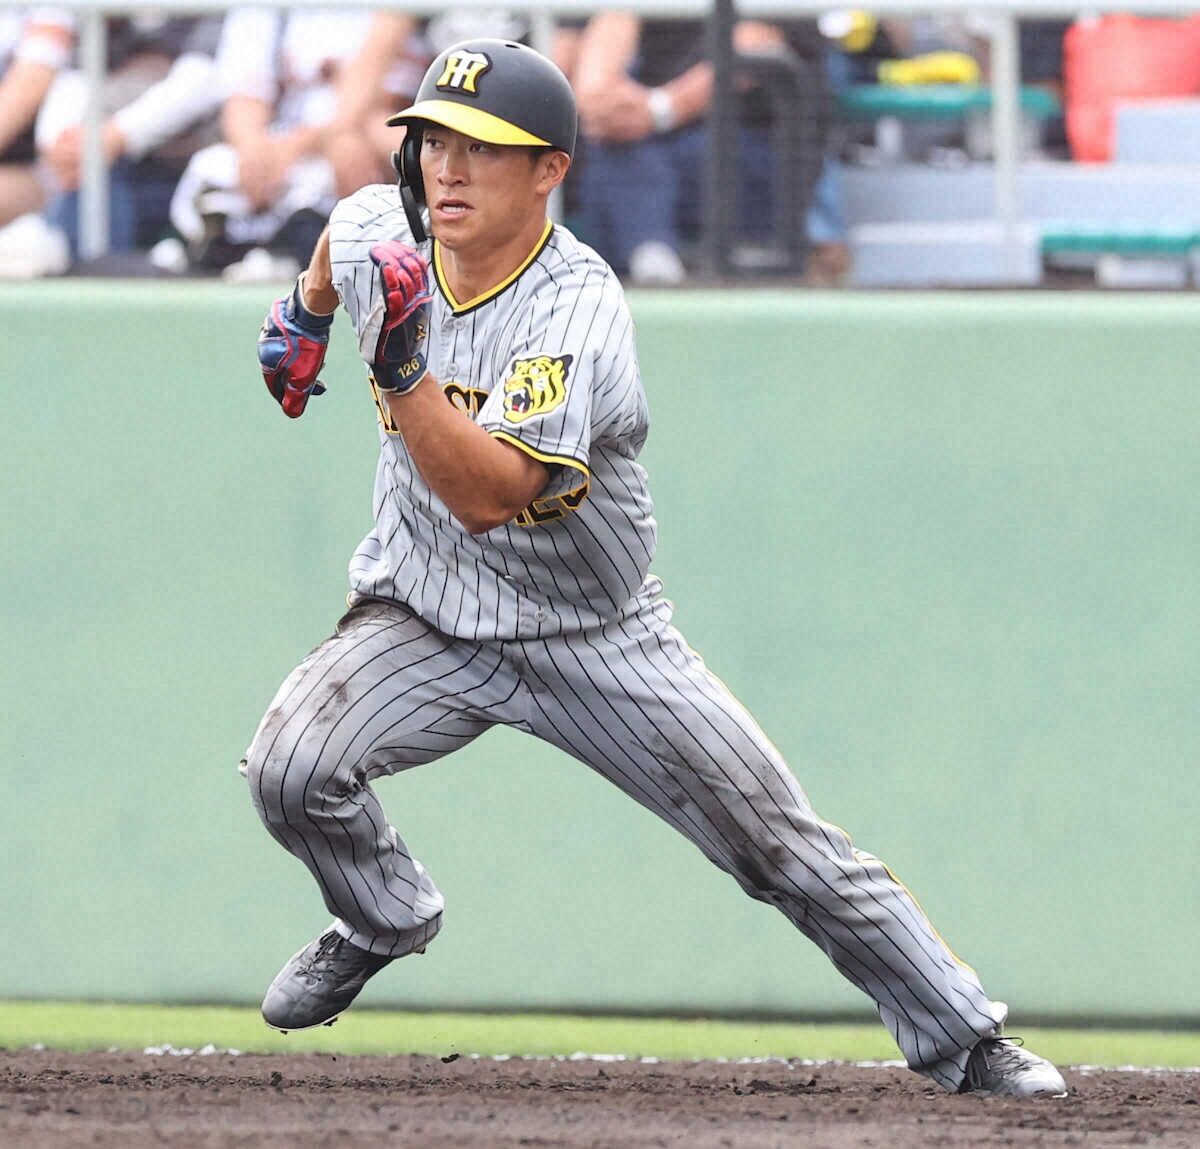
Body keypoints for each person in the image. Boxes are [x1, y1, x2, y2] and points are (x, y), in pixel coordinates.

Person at [243, 38, 1067, 1101]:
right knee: (290, 769)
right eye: (434, 141)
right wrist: (305, 314)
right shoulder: (383, 228)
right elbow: (343, 231)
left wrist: (400, 371)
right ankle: (381, 917)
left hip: (593, 634)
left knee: (778, 846)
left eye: (482, 148)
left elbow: (491, 496)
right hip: (425, 612)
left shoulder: (575, 306)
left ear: (549, 169)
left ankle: (968, 1039)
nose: (447, 168)